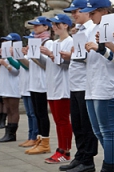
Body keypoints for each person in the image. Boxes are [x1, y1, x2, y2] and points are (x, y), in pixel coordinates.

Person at [81, 0, 114, 172]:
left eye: (94, 12)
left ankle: (109, 171)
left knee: (108, 132)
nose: (91, 16)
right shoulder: (92, 28)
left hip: (108, 85)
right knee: (98, 131)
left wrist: (100, 48)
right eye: (89, 13)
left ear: (104, 11)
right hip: (92, 85)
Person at [60, 0, 99, 172]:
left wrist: (73, 54)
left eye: (76, 11)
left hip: (85, 83)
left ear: (86, 11)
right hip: (75, 84)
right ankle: (80, 154)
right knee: (77, 123)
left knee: (86, 124)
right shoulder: (80, 30)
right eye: (72, 12)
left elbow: (87, 54)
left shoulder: (91, 29)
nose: (74, 15)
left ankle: (88, 158)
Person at [43, 14, 74, 163]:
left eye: (57, 24)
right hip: (52, 86)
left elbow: (66, 64)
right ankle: (60, 148)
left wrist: (50, 55)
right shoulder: (52, 43)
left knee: (63, 120)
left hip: (63, 87)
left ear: (66, 25)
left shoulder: (70, 42)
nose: (54, 27)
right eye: (53, 25)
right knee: (57, 121)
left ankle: (65, 151)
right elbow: (47, 65)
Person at [22, 16, 53, 155]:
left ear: (46, 27)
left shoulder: (48, 43)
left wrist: (34, 54)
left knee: (42, 114)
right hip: (33, 83)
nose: (34, 28)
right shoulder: (34, 42)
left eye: (37, 25)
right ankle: (38, 140)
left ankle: (45, 142)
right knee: (36, 113)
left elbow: (48, 65)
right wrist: (23, 56)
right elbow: (30, 65)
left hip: (43, 83)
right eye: (33, 26)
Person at [0, 33, 23, 142]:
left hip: (13, 86)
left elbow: (16, 71)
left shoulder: (17, 54)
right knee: (8, 109)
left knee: (13, 110)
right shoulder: (4, 55)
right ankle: (8, 131)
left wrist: (6, 63)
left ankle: (12, 133)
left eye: (8, 42)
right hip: (4, 85)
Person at [17, 34, 39, 148]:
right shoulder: (28, 52)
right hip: (25, 86)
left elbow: (28, 66)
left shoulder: (35, 52)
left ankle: (34, 137)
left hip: (33, 86)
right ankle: (30, 136)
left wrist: (21, 57)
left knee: (33, 113)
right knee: (29, 114)